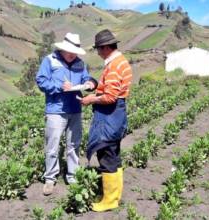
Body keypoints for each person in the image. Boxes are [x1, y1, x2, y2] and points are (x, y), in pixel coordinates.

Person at [36, 33, 97, 196]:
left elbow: (85, 79)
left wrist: (90, 83)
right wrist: (59, 86)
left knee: (74, 145)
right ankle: (50, 178)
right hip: (55, 110)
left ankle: (72, 176)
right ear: (62, 49)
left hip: (75, 109)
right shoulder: (50, 60)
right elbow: (41, 81)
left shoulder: (80, 63)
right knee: (52, 145)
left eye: (75, 52)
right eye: (70, 51)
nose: (73, 55)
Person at [81, 29, 132, 212]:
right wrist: (97, 93)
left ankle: (109, 200)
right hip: (117, 114)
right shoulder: (122, 62)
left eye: (99, 49)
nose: (98, 52)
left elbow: (110, 97)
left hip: (109, 115)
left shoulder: (113, 66)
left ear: (106, 47)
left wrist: (91, 99)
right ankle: (115, 196)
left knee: (106, 154)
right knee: (114, 155)